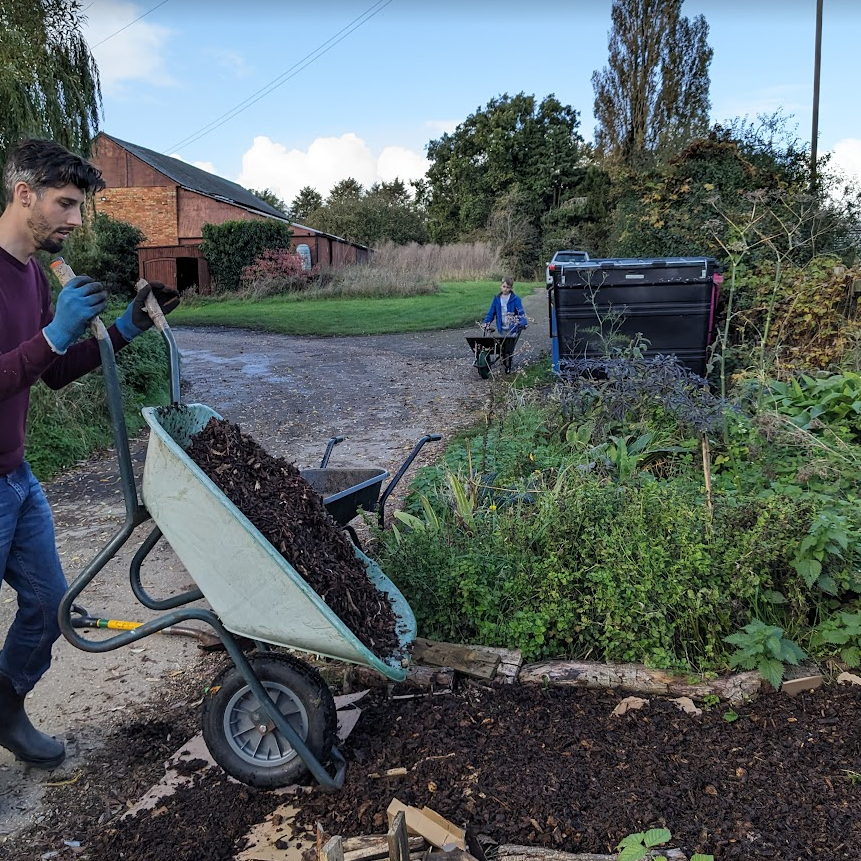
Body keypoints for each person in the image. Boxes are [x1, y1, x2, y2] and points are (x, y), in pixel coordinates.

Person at [0, 139, 179, 769]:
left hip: (16, 477)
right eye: (66, 204)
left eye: (80, 207)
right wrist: (52, 332)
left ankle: (5, 707)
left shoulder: (32, 275)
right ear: (24, 195)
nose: (76, 221)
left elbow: (48, 372)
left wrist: (128, 326)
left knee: (51, 607)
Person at [482, 276, 527, 373]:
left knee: (509, 348)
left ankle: (508, 366)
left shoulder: (515, 299)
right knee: (502, 347)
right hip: (502, 327)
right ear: (500, 286)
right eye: (504, 286)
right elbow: (491, 313)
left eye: (508, 287)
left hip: (512, 328)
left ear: (511, 288)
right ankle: (503, 363)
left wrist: (523, 323)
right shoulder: (497, 299)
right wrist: (486, 322)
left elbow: (521, 313)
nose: (505, 289)